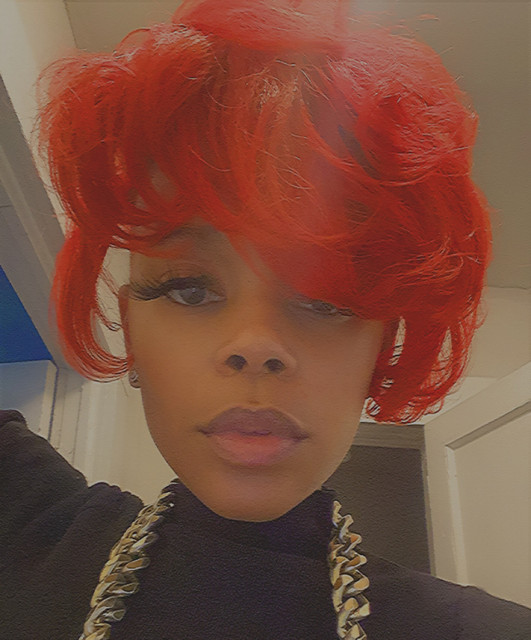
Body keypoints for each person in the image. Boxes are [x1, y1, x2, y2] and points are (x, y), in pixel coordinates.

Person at [1, 0, 530, 638]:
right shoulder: (21, 523)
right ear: (132, 330)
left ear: (380, 347)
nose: (256, 345)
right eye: (189, 289)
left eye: (326, 299)